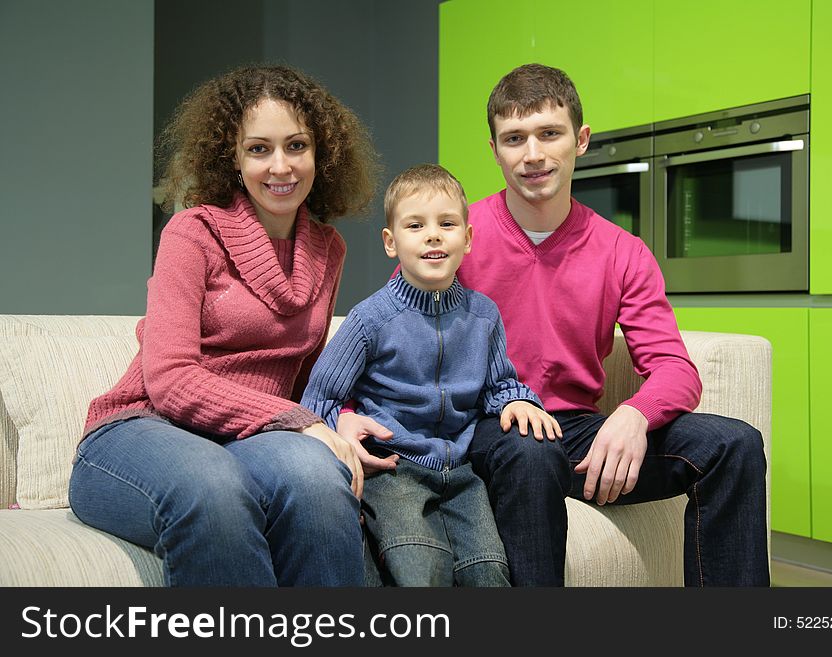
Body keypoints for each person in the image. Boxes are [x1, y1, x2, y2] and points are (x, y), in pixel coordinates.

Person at [340, 64, 770, 587]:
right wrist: (343, 413)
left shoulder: (622, 251)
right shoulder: (455, 235)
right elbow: (384, 333)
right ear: (495, 149)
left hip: (576, 429)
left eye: (550, 133)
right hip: (481, 429)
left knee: (735, 445)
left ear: (580, 140)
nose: (533, 154)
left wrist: (634, 415)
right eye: (514, 138)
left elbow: (676, 369)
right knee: (531, 449)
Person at [68, 64, 382, 587]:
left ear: (320, 154)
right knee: (213, 488)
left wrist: (336, 417)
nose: (280, 166)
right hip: (140, 430)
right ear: (232, 158)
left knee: (319, 481)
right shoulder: (192, 232)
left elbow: (306, 378)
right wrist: (300, 422)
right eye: (259, 149)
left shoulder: (328, 249)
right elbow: (169, 380)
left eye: (296, 146)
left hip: (244, 441)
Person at [301, 164, 561, 586]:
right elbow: (318, 400)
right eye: (416, 225)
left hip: (461, 474)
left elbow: (499, 386)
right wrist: (343, 429)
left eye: (447, 223)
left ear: (468, 238)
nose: (433, 235)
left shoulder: (483, 315)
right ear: (391, 242)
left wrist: (518, 400)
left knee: (490, 573)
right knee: (420, 570)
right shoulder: (371, 319)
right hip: (394, 468)